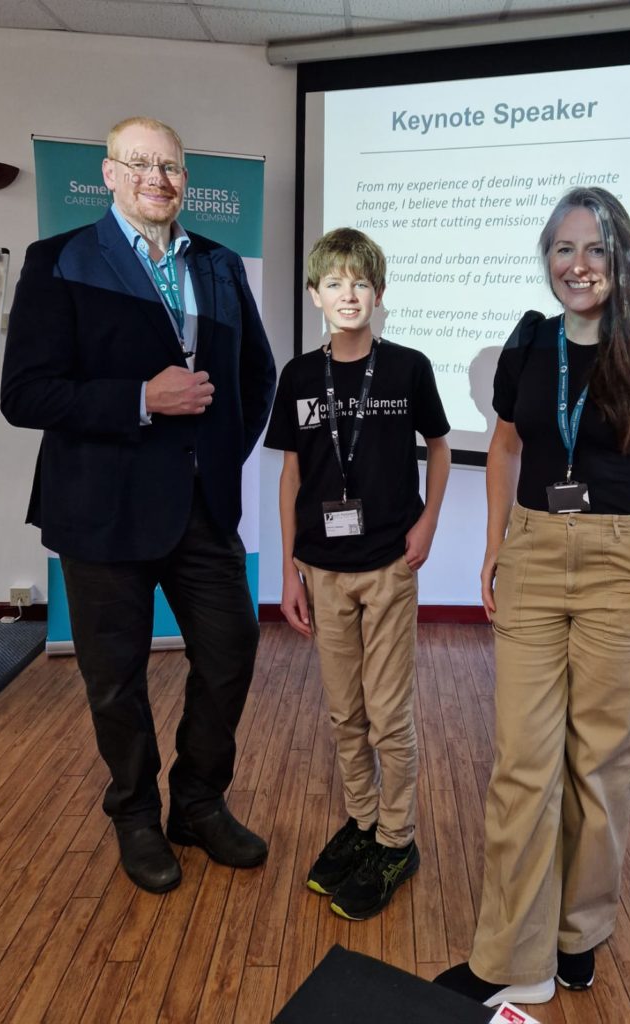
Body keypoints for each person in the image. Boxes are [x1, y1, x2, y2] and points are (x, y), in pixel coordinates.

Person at [435, 187, 630, 1006]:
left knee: (598, 763)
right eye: (564, 248)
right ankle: (509, 959)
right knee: (522, 762)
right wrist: (495, 540)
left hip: (625, 562)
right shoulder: (531, 342)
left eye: (596, 249)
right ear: (548, 258)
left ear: (622, 258)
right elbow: (504, 448)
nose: (579, 265)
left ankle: (577, 933)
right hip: (533, 552)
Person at [1, 116, 277, 894]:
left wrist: (219, 456)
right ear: (110, 174)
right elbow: (24, 393)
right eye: (141, 164)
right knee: (115, 679)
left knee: (230, 652)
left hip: (200, 506)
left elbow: (257, 375)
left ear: (186, 178)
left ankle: (197, 802)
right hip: (101, 511)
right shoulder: (59, 261)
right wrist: (141, 400)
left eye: (172, 166)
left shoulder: (218, 263)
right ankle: (135, 814)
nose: (158, 178)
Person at [265, 228, 451, 920]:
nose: (349, 295)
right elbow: (291, 475)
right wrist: (289, 569)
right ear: (315, 295)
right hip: (321, 567)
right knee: (345, 712)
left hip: (388, 566)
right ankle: (364, 820)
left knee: (388, 714)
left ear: (379, 292)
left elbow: (439, 447)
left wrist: (427, 522)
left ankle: (397, 840)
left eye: (361, 283)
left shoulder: (407, 368)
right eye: (335, 283)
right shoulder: (298, 376)